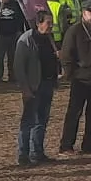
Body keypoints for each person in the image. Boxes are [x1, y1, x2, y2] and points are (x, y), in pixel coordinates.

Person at [58, 0, 91, 154]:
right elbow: (66, 55)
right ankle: (66, 145)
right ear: (83, 12)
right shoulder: (75, 30)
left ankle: (89, 144)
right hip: (81, 79)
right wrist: (71, 74)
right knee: (74, 113)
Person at [11, 9, 59, 165]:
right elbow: (19, 67)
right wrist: (25, 88)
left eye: (52, 23)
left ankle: (37, 152)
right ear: (38, 23)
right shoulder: (26, 40)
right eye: (48, 23)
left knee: (42, 120)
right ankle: (23, 155)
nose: (51, 26)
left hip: (47, 83)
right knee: (29, 121)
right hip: (33, 86)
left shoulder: (49, 38)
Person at [0, 0, 28, 83]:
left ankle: (12, 76)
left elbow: (20, 19)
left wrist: (19, 31)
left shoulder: (15, 5)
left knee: (12, 57)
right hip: (0, 35)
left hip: (13, 34)